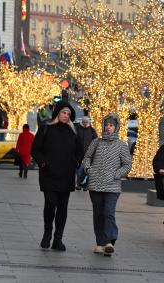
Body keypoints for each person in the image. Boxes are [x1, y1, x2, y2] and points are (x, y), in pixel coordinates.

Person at [31, 101, 83, 251]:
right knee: (50, 203)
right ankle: (47, 234)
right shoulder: (46, 128)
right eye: (63, 112)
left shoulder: (73, 132)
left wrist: (76, 161)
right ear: (57, 113)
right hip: (49, 175)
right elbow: (35, 150)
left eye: (68, 114)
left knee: (62, 208)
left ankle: (58, 239)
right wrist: (43, 163)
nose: (66, 116)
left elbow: (80, 151)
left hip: (66, 175)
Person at [82, 113, 132, 257]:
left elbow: (127, 164)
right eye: (107, 125)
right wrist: (89, 170)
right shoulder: (96, 142)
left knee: (108, 212)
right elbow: (87, 158)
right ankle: (100, 243)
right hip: (95, 184)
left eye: (111, 125)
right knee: (98, 214)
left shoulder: (121, 145)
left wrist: (117, 174)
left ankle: (110, 241)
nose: (108, 127)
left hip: (112, 186)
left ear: (116, 127)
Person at [76, 116, 97, 190]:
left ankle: (85, 185)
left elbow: (95, 142)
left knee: (87, 171)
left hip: (89, 154)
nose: (85, 123)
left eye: (86, 122)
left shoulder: (92, 130)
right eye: (84, 122)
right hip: (79, 154)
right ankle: (78, 185)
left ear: (88, 122)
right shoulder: (77, 129)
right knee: (79, 170)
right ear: (82, 122)